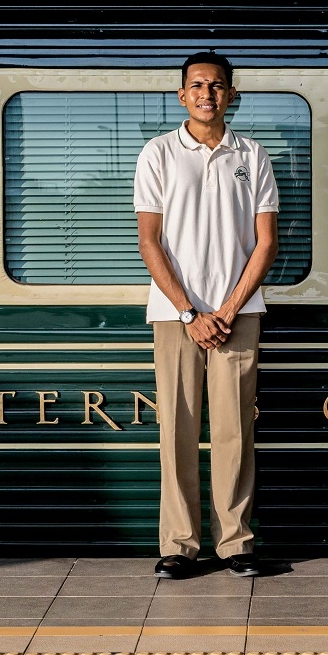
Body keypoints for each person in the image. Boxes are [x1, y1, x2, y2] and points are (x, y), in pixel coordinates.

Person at [133, 53, 279, 579]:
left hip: (238, 313)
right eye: (197, 85)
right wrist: (191, 310)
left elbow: (266, 243)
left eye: (217, 86)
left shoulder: (253, 156)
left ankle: (235, 544)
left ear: (232, 94)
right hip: (176, 316)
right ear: (181, 95)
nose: (207, 94)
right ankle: (178, 545)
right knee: (177, 428)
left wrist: (228, 309)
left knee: (235, 431)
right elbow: (149, 241)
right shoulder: (158, 154)